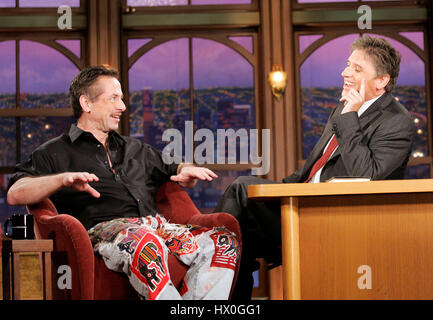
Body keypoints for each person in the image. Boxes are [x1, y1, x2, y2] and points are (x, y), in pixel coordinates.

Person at [7, 65, 240, 300]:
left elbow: (174, 167)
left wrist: (186, 171)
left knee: (224, 242)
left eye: (122, 98)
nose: (123, 107)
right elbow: (15, 193)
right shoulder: (54, 152)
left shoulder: (136, 148)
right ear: (87, 104)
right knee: (145, 243)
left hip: (156, 227)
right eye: (114, 98)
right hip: (105, 232)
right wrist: (61, 179)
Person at [214, 35, 414, 299]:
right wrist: (273, 192)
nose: (345, 72)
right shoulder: (342, 110)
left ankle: (205, 257)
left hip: (338, 219)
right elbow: (310, 172)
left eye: (357, 68)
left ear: (381, 81)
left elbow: (366, 176)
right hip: (305, 204)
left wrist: (350, 117)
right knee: (242, 227)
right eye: (347, 65)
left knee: (240, 191)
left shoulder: (397, 122)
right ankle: (220, 280)